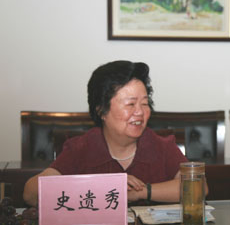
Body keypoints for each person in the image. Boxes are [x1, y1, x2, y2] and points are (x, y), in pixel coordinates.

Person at [23, 60, 202, 207]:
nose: (140, 112)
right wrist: (107, 186)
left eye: (144, 103)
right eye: (130, 104)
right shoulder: (82, 148)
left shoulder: (160, 145)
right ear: (102, 111)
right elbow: (31, 193)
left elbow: (198, 188)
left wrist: (140, 192)